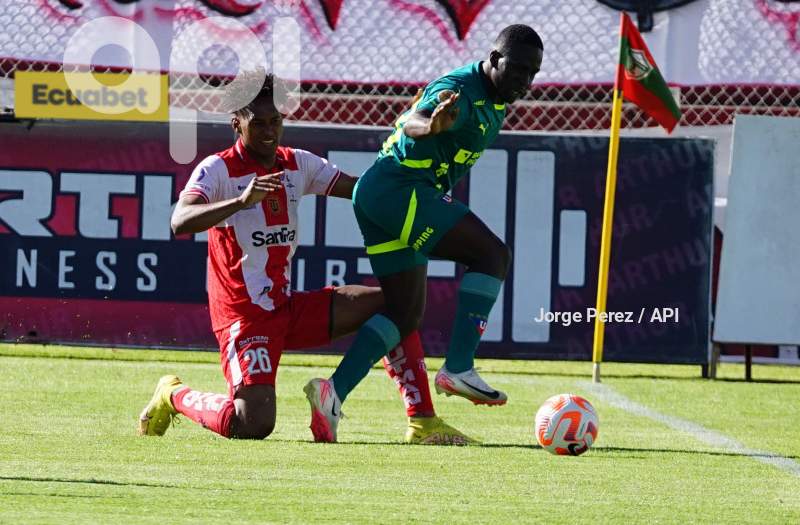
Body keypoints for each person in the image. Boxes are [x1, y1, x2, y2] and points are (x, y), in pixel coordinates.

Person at [138, 69, 476, 445]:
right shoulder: (218, 169)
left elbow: (364, 190)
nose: (269, 131)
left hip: (288, 306)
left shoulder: (296, 163)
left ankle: (423, 421)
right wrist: (239, 202)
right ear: (236, 123)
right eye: (259, 123)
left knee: (399, 306)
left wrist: (415, 146)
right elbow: (179, 221)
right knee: (254, 424)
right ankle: (172, 393)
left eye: (276, 121)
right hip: (245, 318)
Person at [305, 25, 544, 441]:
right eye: (518, 69)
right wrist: (429, 125)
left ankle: (332, 393)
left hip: (381, 195)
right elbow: (413, 120)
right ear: (493, 58)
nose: (526, 80)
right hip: (400, 191)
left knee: (404, 312)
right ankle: (459, 367)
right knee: (492, 256)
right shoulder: (460, 89)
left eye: (533, 73)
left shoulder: (497, 100)